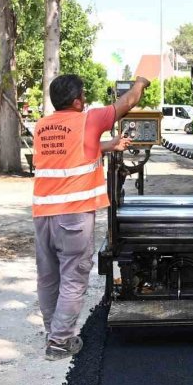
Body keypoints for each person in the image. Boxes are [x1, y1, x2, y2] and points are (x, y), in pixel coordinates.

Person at [32, 74, 150, 360]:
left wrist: (111, 146)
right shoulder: (90, 119)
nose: (85, 100)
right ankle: (60, 343)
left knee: (48, 278)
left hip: (43, 213)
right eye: (83, 95)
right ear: (76, 101)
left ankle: (53, 333)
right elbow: (127, 102)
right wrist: (140, 84)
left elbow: (73, 152)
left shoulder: (43, 126)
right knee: (73, 278)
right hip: (72, 216)